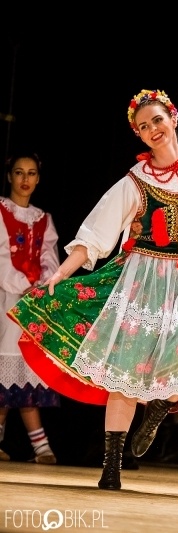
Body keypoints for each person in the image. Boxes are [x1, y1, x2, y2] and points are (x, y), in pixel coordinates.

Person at [7, 89, 178, 489]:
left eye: (157, 120)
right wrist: (62, 273)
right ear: (139, 137)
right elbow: (97, 231)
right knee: (126, 371)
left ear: (173, 118)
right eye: (143, 127)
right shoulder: (135, 182)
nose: (152, 130)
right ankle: (111, 468)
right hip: (144, 281)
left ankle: (160, 407)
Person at [0, 152, 59, 463]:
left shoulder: (42, 218)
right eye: (19, 173)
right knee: (5, 371)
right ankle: (40, 446)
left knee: (24, 373)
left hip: (33, 303)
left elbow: (49, 256)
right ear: (10, 176)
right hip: (6, 299)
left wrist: (45, 282)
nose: (25, 180)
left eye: (32, 173)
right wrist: (20, 282)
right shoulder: (0, 211)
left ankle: (41, 447)